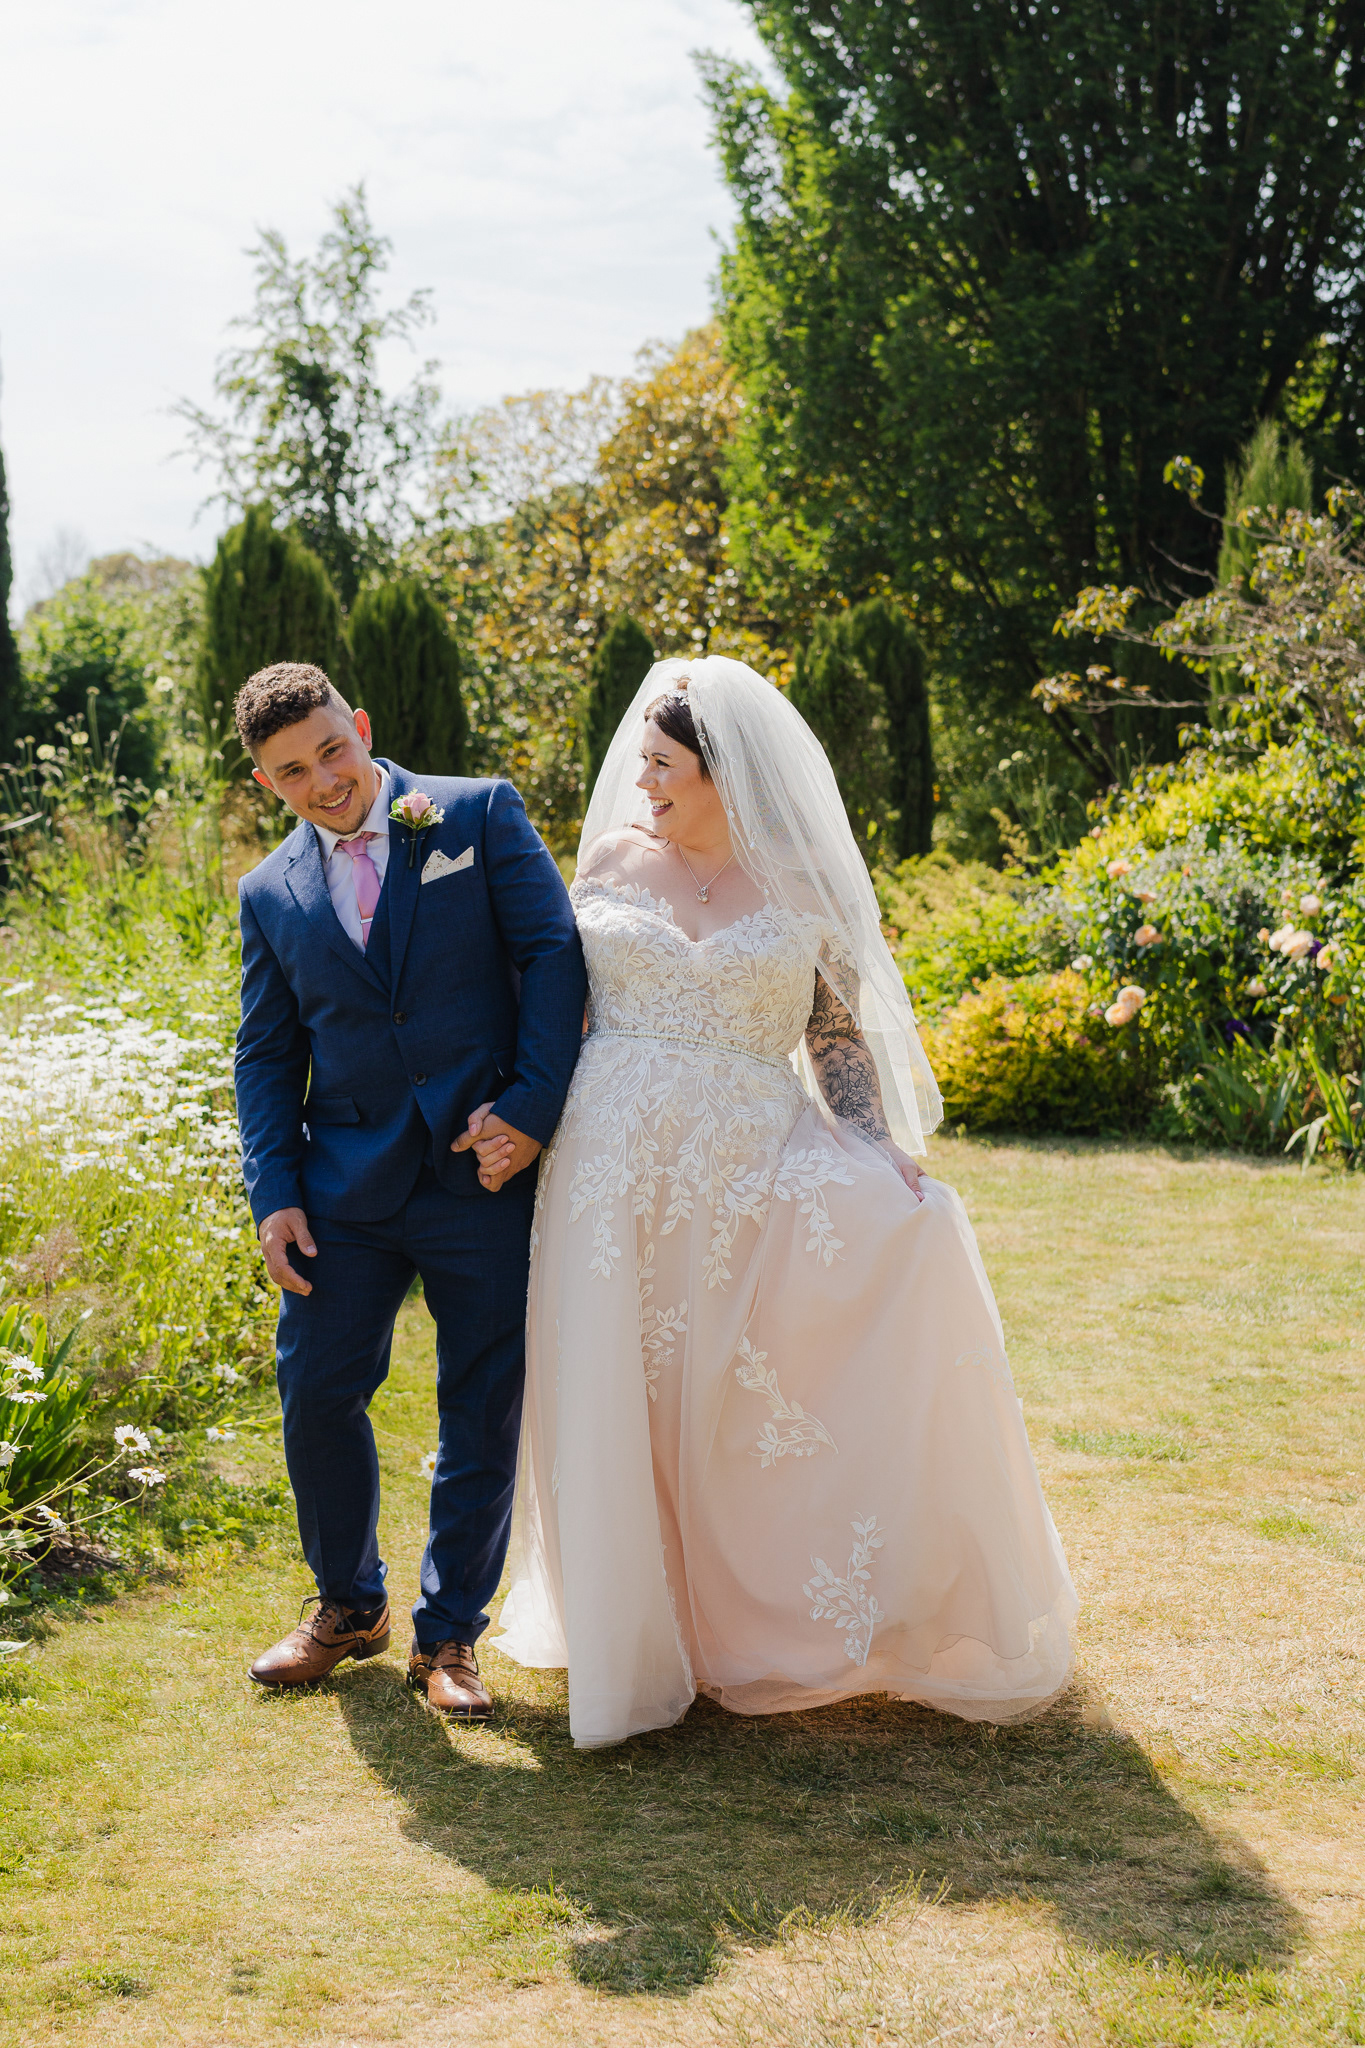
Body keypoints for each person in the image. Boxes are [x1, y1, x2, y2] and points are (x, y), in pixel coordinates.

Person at [485, 657, 1076, 1749]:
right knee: (619, 1392)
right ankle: (630, 1628)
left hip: (749, 1167)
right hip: (607, 1170)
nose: (642, 782)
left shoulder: (803, 885)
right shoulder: (610, 859)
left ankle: (746, 1622)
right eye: (643, 763)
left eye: (664, 766)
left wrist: (875, 1142)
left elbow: (835, 1036)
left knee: (732, 1398)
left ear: (725, 773)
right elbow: (558, 1007)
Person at [232, 662, 585, 1716]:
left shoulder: (476, 814)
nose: (325, 781)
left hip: (481, 1167)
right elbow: (265, 1053)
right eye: (294, 771)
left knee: (481, 1399)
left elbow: (552, 951)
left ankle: (448, 1635)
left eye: (332, 751)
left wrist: (530, 1110)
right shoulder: (267, 891)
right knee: (315, 1389)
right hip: (342, 1186)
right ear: (266, 783)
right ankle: (349, 1605)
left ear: (362, 726)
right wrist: (273, 1191)